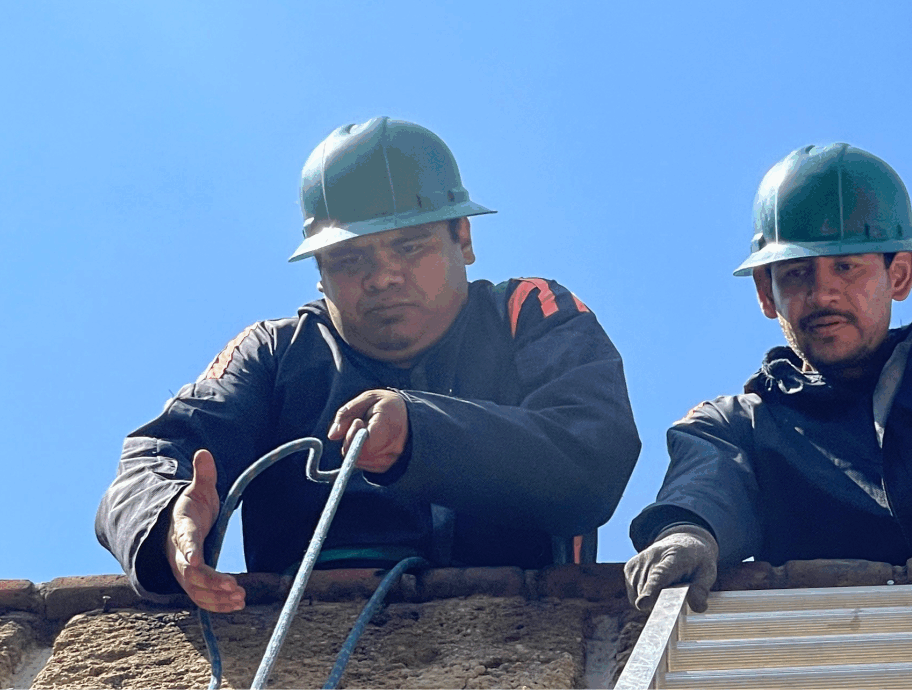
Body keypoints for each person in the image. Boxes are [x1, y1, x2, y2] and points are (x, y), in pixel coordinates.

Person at [98, 117, 641, 612]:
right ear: (318, 271)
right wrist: (167, 520)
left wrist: (420, 433)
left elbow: (592, 458)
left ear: (464, 237)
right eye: (350, 259)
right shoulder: (272, 351)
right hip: (301, 645)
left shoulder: (529, 311)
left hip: (525, 632)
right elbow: (154, 457)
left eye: (409, 246)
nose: (382, 277)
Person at [625, 143, 912, 612]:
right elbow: (707, 486)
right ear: (767, 294)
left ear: (900, 274)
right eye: (797, 272)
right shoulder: (732, 425)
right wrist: (686, 534)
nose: (822, 291)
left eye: (846, 267)